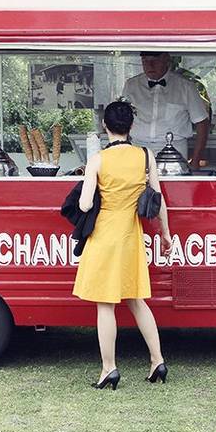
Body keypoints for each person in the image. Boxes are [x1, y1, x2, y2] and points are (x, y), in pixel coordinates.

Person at [72, 100, 171, 389]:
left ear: (105, 126)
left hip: (105, 235)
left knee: (105, 305)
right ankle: (157, 361)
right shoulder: (145, 156)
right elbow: (158, 197)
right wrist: (165, 233)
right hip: (131, 234)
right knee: (137, 301)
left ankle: (109, 369)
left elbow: (85, 203)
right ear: (131, 126)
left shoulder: (98, 159)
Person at [121, 51, 210, 168]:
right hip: (138, 148)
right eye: (145, 61)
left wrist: (196, 160)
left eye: (155, 61)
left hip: (174, 151)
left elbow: (202, 123)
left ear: (166, 60)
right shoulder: (131, 85)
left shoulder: (185, 86)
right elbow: (122, 119)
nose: (150, 65)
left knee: (172, 186)